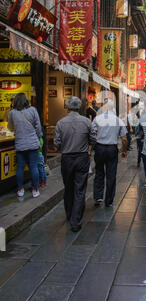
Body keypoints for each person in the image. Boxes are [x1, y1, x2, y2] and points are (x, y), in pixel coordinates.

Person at [54, 97, 92, 232]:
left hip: (67, 158)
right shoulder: (87, 121)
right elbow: (93, 138)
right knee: (80, 189)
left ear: (67, 107)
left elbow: (57, 143)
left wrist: (64, 145)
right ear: (80, 107)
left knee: (68, 187)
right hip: (82, 158)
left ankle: (70, 215)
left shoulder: (61, 123)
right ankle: (76, 221)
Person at [91, 100, 127, 207]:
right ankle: (109, 200)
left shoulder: (97, 119)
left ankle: (98, 196)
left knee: (99, 172)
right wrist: (124, 151)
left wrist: (92, 145)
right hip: (112, 149)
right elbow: (124, 138)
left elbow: (92, 133)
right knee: (111, 174)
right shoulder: (118, 120)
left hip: (100, 148)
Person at [8, 93, 43, 198]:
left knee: (20, 167)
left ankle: (20, 189)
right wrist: (39, 137)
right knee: (33, 167)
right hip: (32, 143)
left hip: (20, 144)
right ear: (26, 101)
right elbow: (38, 127)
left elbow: (10, 127)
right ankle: (35, 190)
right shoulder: (33, 110)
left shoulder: (12, 113)